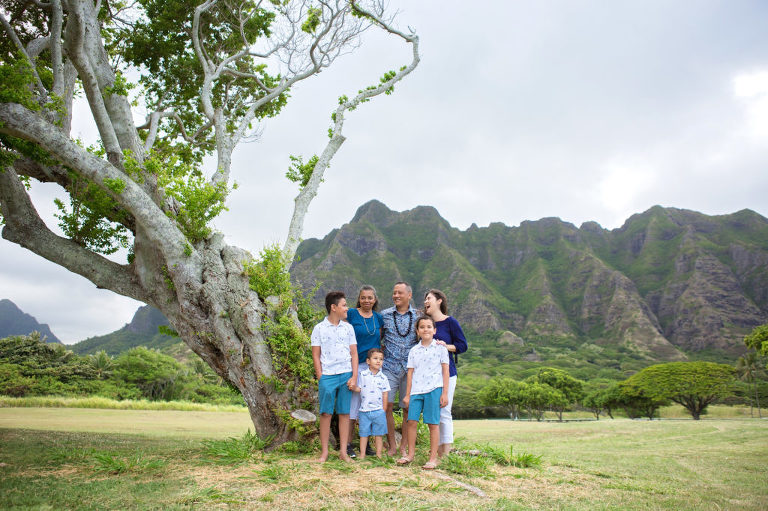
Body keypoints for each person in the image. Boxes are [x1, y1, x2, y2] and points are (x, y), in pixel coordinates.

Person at [311, 291, 358, 463]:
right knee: (325, 413)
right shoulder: (319, 329)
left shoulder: (349, 328)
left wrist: (354, 376)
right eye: (344, 305)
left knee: (344, 413)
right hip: (328, 377)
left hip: (346, 375)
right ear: (334, 307)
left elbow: (354, 354)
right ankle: (324, 453)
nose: (347, 308)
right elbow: (316, 355)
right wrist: (320, 376)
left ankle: (343, 453)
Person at [398, 315, 449, 470]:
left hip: (434, 389)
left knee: (432, 424)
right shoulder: (414, 350)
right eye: (422, 327)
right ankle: (410, 454)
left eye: (428, 327)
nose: (425, 329)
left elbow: (445, 371)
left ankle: (433, 458)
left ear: (434, 330)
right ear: (417, 331)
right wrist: (407, 394)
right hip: (416, 391)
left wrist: (444, 393)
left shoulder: (440, 348)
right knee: (411, 421)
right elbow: (410, 373)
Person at [423, 289, 468, 456]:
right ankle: (437, 448)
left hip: (447, 373)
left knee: (444, 411)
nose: (426, 302)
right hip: (429, 375)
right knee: (433, 412)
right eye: (425, 299)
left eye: (429, 298)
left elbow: (462, 346)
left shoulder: (450, 322)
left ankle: (446, 451)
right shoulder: (426, 323)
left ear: (439, 301)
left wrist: (445, 346)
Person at [381, 281, 420, 456]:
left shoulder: (418, 316)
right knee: (386, 405)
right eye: (394, 292)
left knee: (407, 407)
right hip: (389, 366)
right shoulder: (385, 315)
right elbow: (378, 336)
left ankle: (404, 446)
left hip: (410, 369)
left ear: (409, 295)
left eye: (400, 293)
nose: (396, 296)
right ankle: (392, 445)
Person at [346, 285, 384, 458]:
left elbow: (379, 339)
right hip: (355, 365)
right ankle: (347, 444)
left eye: (370, 298)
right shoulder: (352, 314)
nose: (366, 301)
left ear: (374, 300)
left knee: (370, 405)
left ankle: (365, 444)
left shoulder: (378, 318)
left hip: (373, 368)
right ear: (359, 299)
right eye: (363, 297)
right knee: (354, 406)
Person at [349, 348, 389, 459]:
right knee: (363, 433)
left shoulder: (384, 378)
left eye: (381, 359)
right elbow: (359, 389)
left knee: (378, 434)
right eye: (375, 358)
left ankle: (379, 454)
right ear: (368, 361)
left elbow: (385, 394)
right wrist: (353, 387)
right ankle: (362, 454)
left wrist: (383, 409)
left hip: (378, 410)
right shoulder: (363, 375)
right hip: (364, 410)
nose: (378, 361)